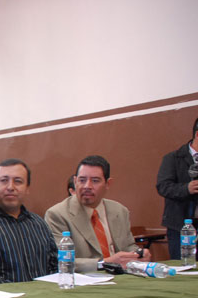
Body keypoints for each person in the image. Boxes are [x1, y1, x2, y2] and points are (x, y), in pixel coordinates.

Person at [45, 156, 150, 272]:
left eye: (95, 181)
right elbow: (62, 261)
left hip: (122, 276)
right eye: (82, 180)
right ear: (75, 182)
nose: (87, 186)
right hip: (86, 279)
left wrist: (138, 255)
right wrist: (105, 263)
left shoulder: (119, 211)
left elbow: (129, 247)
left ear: (108, 184)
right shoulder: (57, 215)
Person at [0, 159, 58, 287]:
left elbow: (54, 265)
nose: (10, 187)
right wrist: (24, 293)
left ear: (27, 188)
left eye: (18, 181)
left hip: (44, 295)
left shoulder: (38, 223)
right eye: (4, 180)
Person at [156, 117, 198, 259]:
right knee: (183, 266)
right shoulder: (173, 158)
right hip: (180, 226)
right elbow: (163, 186)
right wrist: (187, 189)